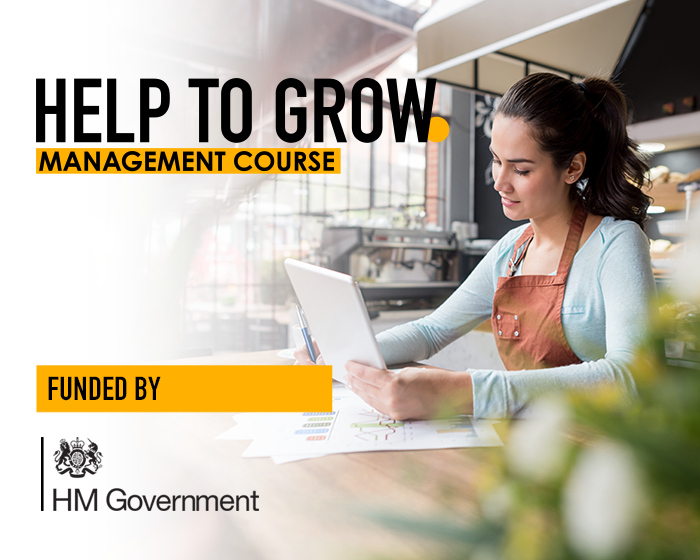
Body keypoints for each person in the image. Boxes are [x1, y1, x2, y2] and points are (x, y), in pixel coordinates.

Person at [295, 73, 656, 420]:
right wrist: (340, 359)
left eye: (522, 169)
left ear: (573, 168)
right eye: (497, 160)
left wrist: (461, 391)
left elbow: (630, 378)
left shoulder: (617, 243)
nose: (499, 182)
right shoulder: (510, 250)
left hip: (600, 449)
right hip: (532, 446)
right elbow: (431, 331)